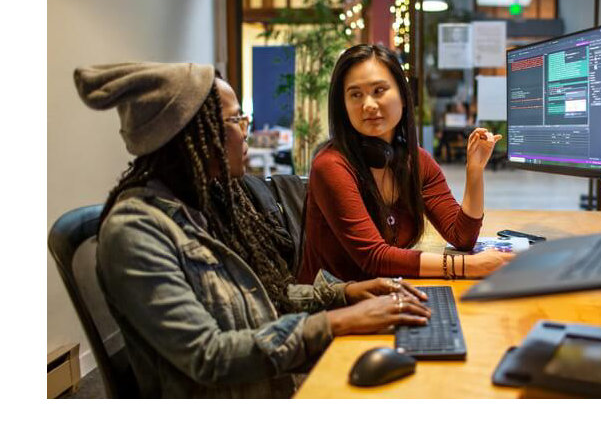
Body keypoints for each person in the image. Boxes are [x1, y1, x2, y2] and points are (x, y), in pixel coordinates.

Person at [74, 62, 431, 398]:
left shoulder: (207, 203)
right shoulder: (135, 233)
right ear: (193, 135)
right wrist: (336, 323)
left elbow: (265, 299)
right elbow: (208, 355)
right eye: (236, 120)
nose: (249, 130)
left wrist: (346, 294)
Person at [298, 44, 513, 284]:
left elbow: (461, 237)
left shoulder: (416, 161)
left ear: (402, 96)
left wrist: (475, 171)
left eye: (379, 90)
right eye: (355, 94)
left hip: (385, 297)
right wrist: (468, 266)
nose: (368, 104)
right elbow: (374, 258)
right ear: (344, 106)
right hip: (333, 310)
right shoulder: (330, 166)